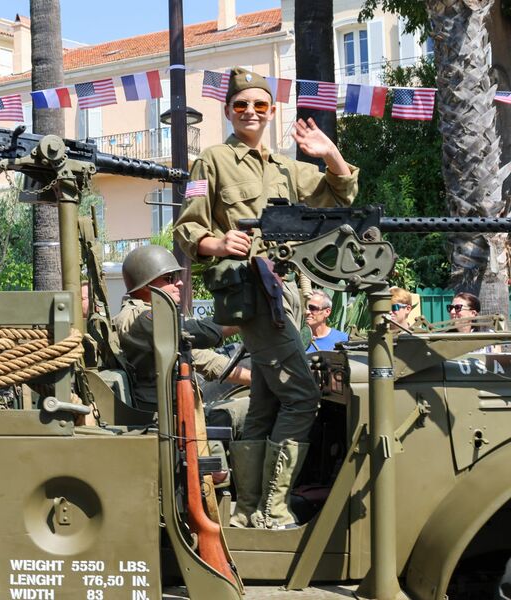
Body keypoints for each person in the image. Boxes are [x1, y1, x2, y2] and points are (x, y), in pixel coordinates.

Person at [174, 68, 359, 529]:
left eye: (260, 105)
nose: (251, 113)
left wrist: (330, 153)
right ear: (229, 111)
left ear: (272, 111)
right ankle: (273, 509)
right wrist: (217, 244)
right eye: (241, 106)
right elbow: (187, 226)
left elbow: (341, 194)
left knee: (267, 402)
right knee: (301, 398)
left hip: (287, 295)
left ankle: (248, 508)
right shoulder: (213, 160)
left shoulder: (286, 168)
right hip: (251, 294)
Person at [112, 245, 250, 412]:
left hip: (173, 412)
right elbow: (198, 331)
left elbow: (201, 358)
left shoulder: (153, 318)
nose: (180, 282)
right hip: (159, 419)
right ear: (146, 284)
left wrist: (256, 379)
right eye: (169, 278)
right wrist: (246, 318)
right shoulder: (138, 317)